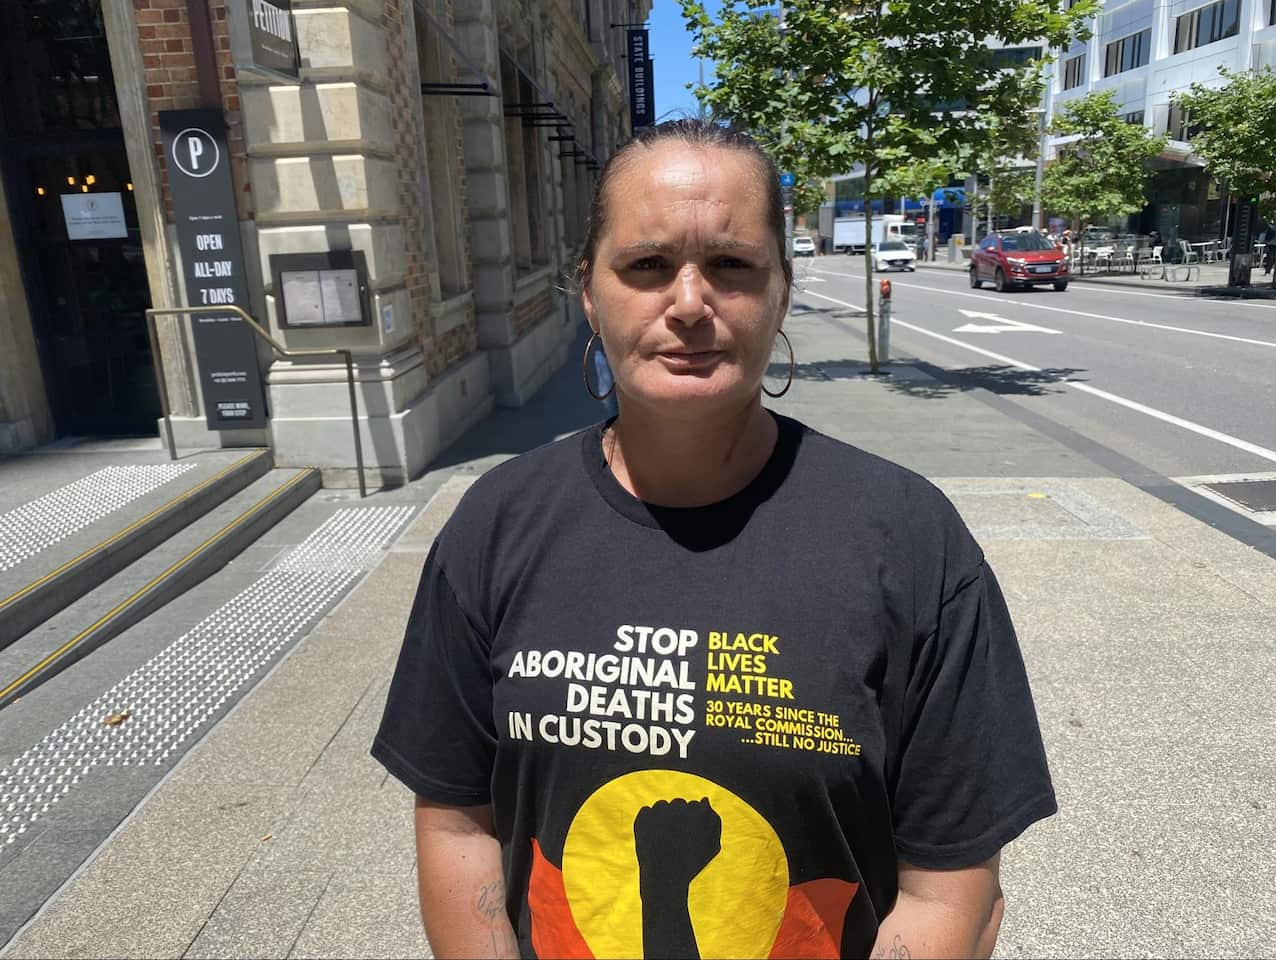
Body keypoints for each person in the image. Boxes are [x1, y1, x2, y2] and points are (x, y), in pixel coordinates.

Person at [372, 119, 1056, 960]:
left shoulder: (909, 539)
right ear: (590, 290)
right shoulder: (495, 525)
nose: (689, 303)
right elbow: (457, 826)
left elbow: (949, 887)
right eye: (648, 265)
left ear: (781, 290)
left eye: (731, 266)